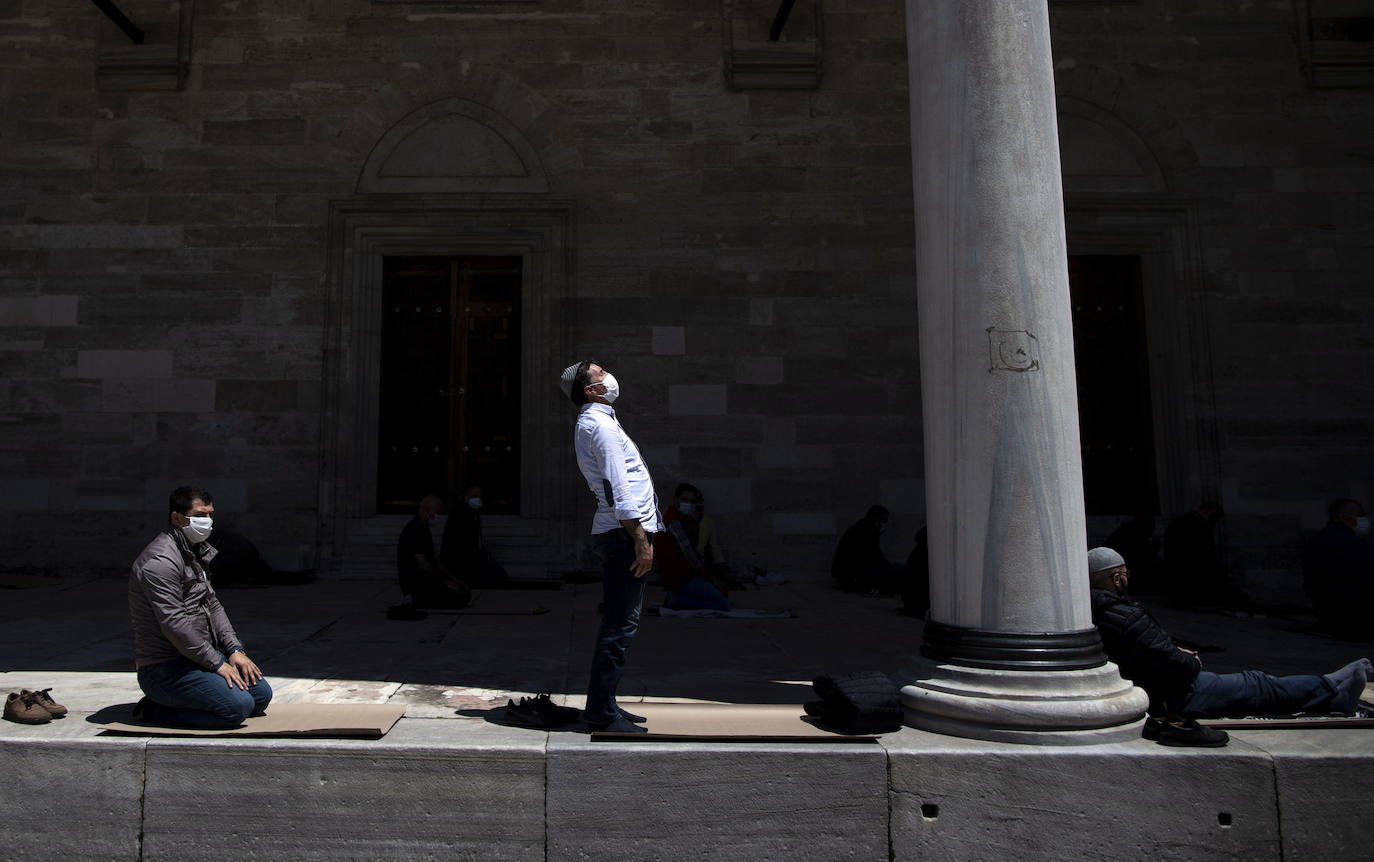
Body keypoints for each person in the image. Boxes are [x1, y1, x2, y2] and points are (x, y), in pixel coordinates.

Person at [1087, 546, 1370, 745]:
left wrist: (1172, 651)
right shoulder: (1124, 615)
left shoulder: (1093, 610)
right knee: (1257, 684)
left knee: (1255, 683)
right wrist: (1190, 659)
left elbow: (1147, 649)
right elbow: (1179, 667)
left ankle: (1329, 688)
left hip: (1157, 681)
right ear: (1117, 577)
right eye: (1125, 573)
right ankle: (1330, 689)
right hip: (1173, 692)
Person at [561, 360, 662, 734]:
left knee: (622, 622)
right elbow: (617, 487)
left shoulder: (601, 421)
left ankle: (606, 704)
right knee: (619, 625)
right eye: (601, 373)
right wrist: (640, 539)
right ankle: (602, 713)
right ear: (590, 390)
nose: (609, 376)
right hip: (623, 535)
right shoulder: (599, 426)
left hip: (622, 533)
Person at [127, 486, 272, 729]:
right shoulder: (159, 562)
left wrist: (234, 649)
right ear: (176, 518)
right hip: (166, 667)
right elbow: (175, 624)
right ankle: (155, 709)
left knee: (260, 696)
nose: (207, 521)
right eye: (200, 515)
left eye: (211, 514)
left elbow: (212, 604)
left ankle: (192, 698)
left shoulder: (195, 551)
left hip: (197, 658)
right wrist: (217, 663)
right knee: (237, 708)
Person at [1304, 498, 1374, 640]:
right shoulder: (1353, 543)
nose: (1362, 519)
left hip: (1328, 614)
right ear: (1342, 516)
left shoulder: (1319, 539)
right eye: (1359, 515)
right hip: (1354, 616)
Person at [655, 483, 730, 611]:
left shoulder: (687, 520)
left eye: (692, 501)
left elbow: (712, 549)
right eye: (685, 500)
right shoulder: (675, 522)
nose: (688, 504)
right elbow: (693, 557)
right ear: (676, 500)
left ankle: (679, 598)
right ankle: (676, 600)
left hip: (687, 575)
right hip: (682, 578)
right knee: (723, 605)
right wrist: (713, 580)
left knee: (719, 599)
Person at [397, 494, 471, 609]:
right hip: (416, 583)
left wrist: (453, 579)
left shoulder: (424, 528)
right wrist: (445, 582)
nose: (438, 516)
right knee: (458, 598)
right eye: (437, 512)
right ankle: (413, 599)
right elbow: (422, 564)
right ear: (426, 510)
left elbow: (435, 558)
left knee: (464, 593)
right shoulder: (414, 529)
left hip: (427, 578)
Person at [1161, 500, 1236, 607]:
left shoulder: (1182, 520)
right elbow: (1202, 551)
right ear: (1210, 511)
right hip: (1191, 568)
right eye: (1215, 517)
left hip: (1181, 566)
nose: (1214, 521)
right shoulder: (1198, 523)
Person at [440, 484, 509, 588]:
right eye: (474, 496)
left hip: (472, 560)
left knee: (499, 574)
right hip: (463, 563)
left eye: (480, 496)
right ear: (466, 497)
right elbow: (460, 546)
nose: (478, 499)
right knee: (499, 576)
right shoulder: (460, 515)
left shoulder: (473, 513)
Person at [831, 505, 903, 595]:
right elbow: (874, 557)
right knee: (899, 570)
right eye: (883, 521)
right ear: (876, 519)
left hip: (848, 575)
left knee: (897, 569)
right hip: (853, 576)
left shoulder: (861, 527)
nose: (883, 524)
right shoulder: (867, 531)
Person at [1104, 513, 1160, 593]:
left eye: (1151, 522)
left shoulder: (1142, 536)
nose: (1150, 525)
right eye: (1147, 522)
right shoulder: (1129, 534)